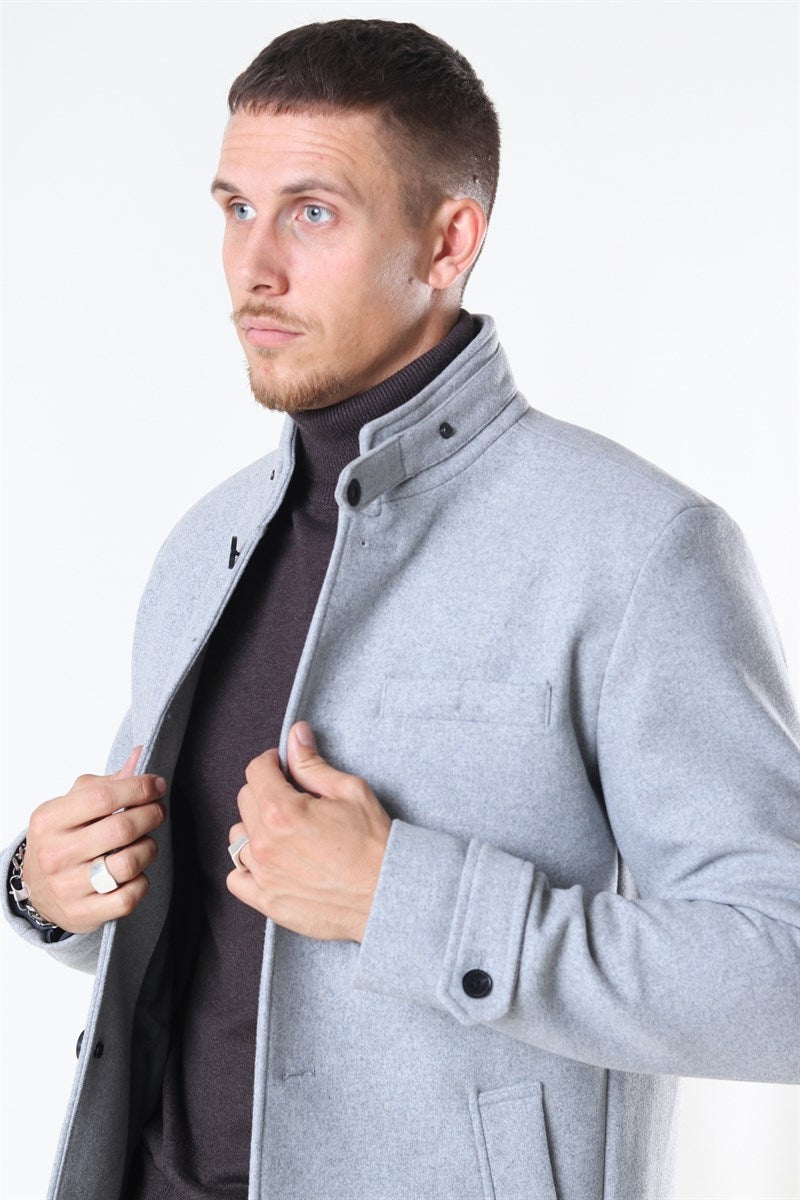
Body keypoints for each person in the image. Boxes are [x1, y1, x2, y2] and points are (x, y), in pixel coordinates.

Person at [3, 17, 798, 1200]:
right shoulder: (208, 540)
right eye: (235, 207)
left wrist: (403, 902)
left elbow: (779, 976)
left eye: (312, 213)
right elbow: (210, 932)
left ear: (446, 240)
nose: (252, 267)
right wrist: (51, 888)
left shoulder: (635, 548)